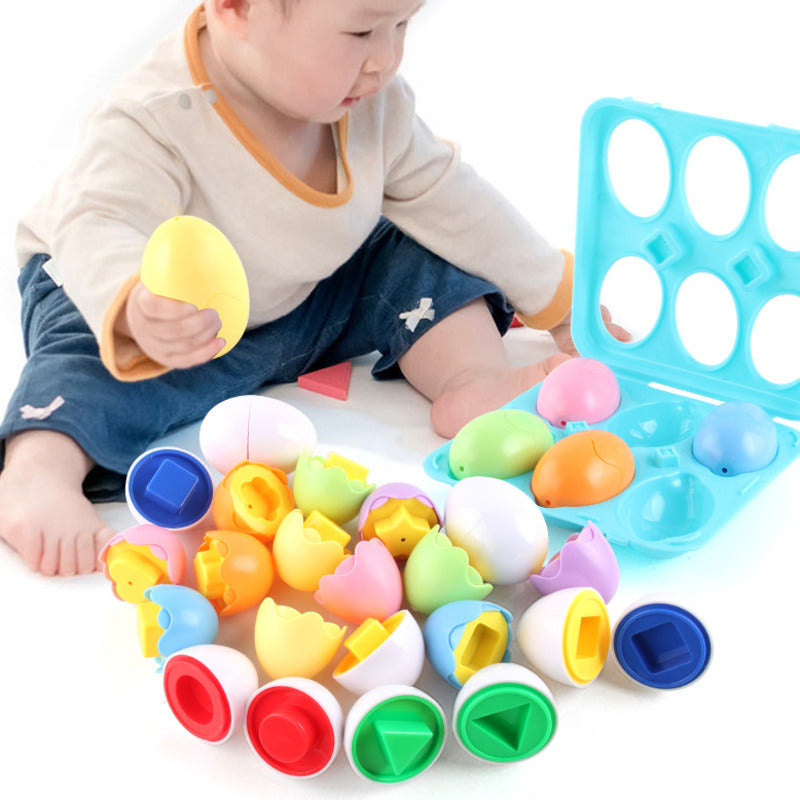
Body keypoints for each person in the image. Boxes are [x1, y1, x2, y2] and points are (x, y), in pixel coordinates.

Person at [0, 0, 626, 577]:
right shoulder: (156, 118)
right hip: (167, 316)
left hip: (309, 288)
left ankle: (469, 377)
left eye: (402, 25)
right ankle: (37, 471)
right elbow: (97, 221)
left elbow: (454, 202)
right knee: (90, 355)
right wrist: (135, 306)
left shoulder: (372, 105)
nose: (386, 59)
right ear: (237, 8)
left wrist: (559, 298)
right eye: (361, 31)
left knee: (427, 244)